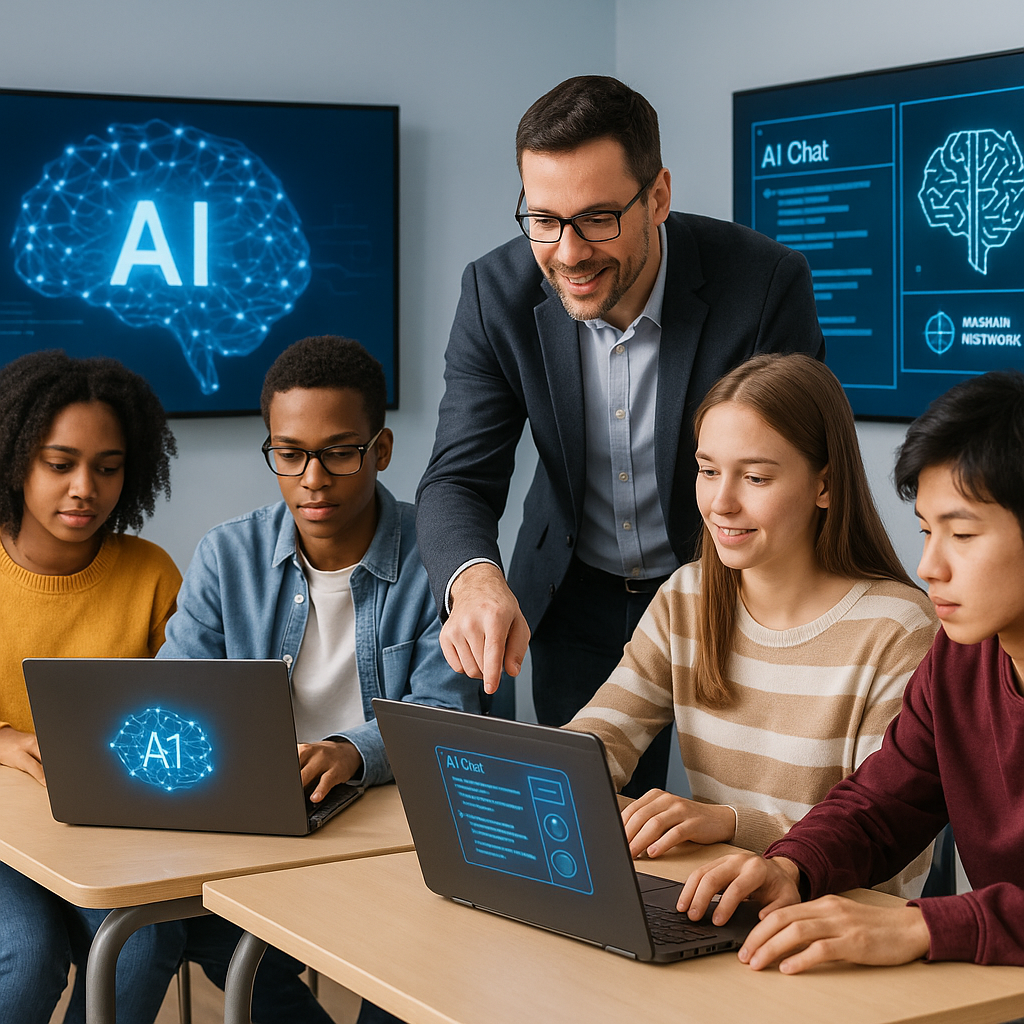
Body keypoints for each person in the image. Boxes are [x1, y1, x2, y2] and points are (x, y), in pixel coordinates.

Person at [415, 74, 824, 794]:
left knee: (738, 819)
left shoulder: (761, 285)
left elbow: (801, 468)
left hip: (731, 593)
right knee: (588, 827)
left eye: (598, 218)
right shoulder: (495, 293)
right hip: (576, 598)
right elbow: (458, 477)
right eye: (543, 219)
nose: (568, 253)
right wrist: (475, 581)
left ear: (657, 197)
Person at [160, 335, 480, 1024]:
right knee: (200, 932)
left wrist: (350, 752)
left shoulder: (439, 555)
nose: (312, 478)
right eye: (289, 453)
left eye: (339, 451)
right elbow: (175, 700)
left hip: (395, 834)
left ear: (381, 450)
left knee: (406, 978)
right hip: (265, 829)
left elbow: (442, 713)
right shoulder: (227, 556)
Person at [678, 369, 1024, 972]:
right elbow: (882, 802)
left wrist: (921, 925)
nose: (929, 567)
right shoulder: (960, 655)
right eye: (925, 531)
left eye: (962, 535)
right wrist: (791, 866)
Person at [565, 354, 937, 898]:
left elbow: (887, 849)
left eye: (756, 477)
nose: (721, 503)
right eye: (708, 470)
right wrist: (541, 778)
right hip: (716, 902)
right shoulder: (687, 596)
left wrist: (732, 823)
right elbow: (598, 740)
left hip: (832, 930)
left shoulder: (898, 628)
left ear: (824, 486)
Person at [0, 350, 183, 1024]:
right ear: (16, 457)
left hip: (104, 826)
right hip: (4, 833)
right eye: (60, 464)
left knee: (144, 939)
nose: (85, 487)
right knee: (26, 949)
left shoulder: (151, 573)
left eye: (107, 469)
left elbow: (185, 714)